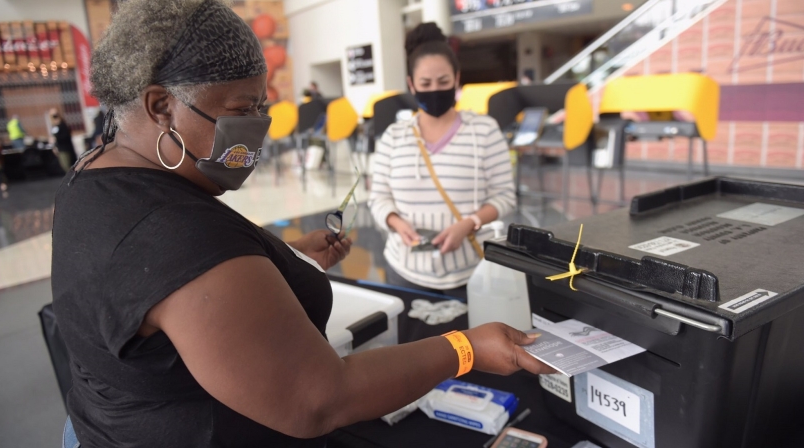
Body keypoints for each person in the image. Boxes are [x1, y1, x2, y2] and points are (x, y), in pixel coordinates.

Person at [52, 2, 552, 448]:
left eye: (261, 107)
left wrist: (285, 257)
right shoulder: (173, 233)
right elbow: (318, 399)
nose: (257, 128)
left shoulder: (92, 175)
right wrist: (464, 348)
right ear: (161, 107)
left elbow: (165, 292)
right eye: (241, 109)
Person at [368, 22, 517, 299]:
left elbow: (505, 196)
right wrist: (395, 222)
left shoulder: (484, 130)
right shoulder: (394, 136)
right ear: (411, 84)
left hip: (470, 272)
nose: (434, 90)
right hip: (404, 271)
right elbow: (378, 197)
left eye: (444, 82)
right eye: (425, 83)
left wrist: (469, 223)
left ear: (457, 79)